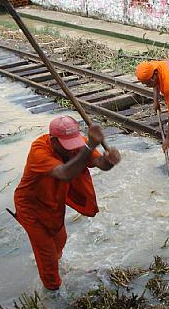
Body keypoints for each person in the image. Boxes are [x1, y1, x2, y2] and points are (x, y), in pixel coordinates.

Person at [13, 116, 121, 293]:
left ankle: (52, 266)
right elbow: (65, 174)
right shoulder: (39, 150)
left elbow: (99, 163)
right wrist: (90, 146)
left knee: (60, 240)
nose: (72, 148)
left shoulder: (79, 145)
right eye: (66, 144)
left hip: (54, 201)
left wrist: (109, 161)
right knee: (46, 253)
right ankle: (53, 292)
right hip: (31, 207)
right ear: (53, 141)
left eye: (75, 143)